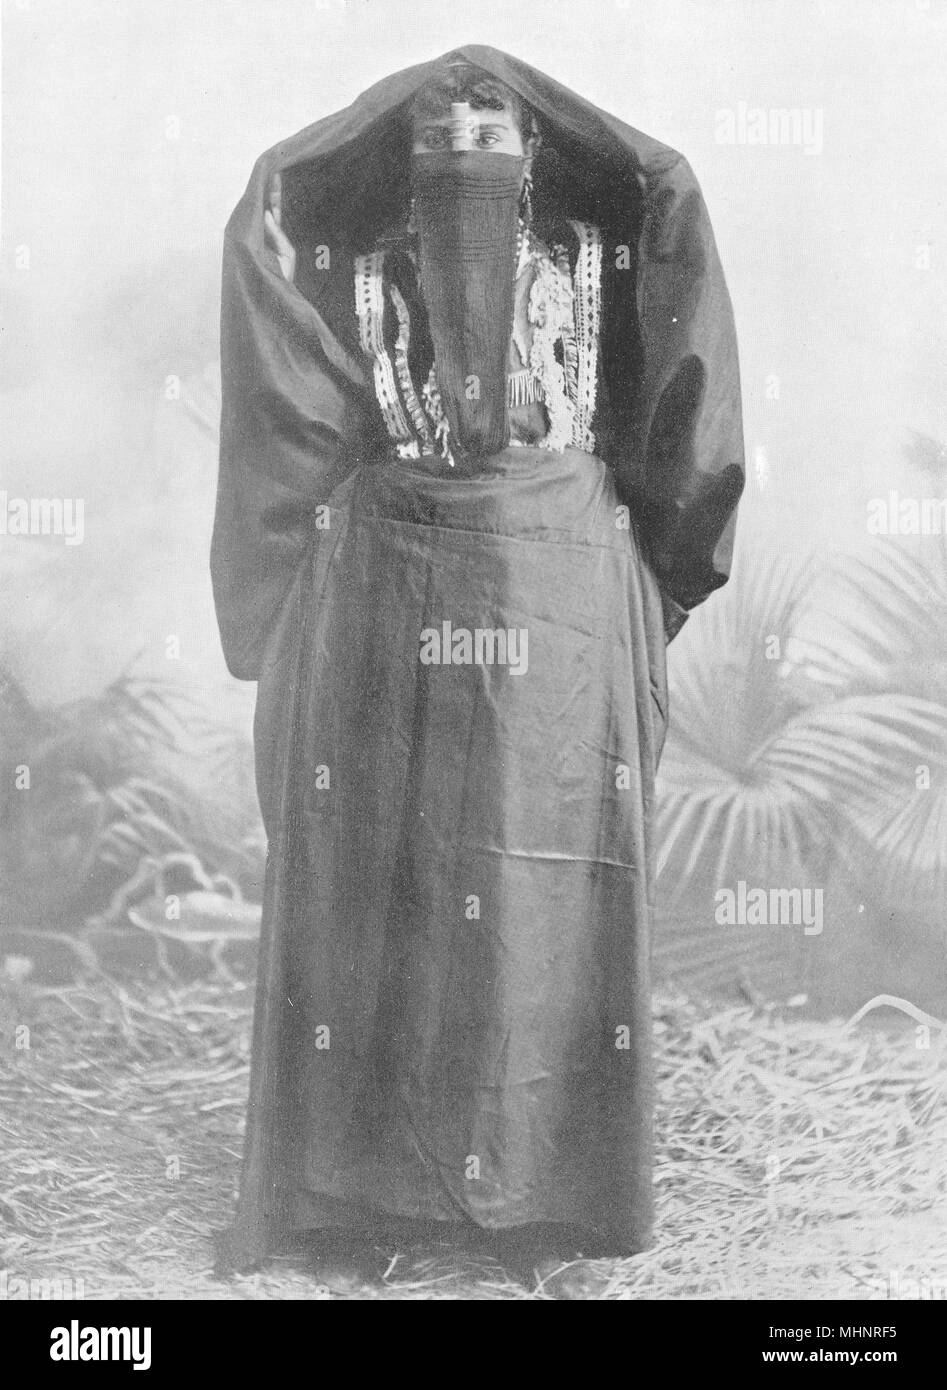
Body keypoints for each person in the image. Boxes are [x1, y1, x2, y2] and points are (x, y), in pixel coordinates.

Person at [211, 46, 744, 1295]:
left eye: (491, 123)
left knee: (540, 888)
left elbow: (675, 425)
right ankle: (361, 1195)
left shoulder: (586, 262)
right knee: (387, 878)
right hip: (387, 590)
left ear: (534, 151)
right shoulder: (363, 271)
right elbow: (295, 422)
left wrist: (650, 564)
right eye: (441, 123)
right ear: (403, 154)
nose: (464, 140)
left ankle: (538, 1199)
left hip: (557, 586)